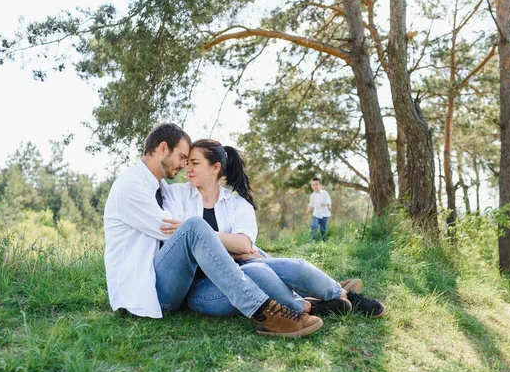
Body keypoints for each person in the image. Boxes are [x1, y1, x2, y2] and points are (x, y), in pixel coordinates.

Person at [103, 123, 323, 338]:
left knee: (253, 264)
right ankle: (265, 313)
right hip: (148, 291)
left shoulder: (157, 186)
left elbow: (197, 244)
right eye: (181, 157)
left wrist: (239, 249)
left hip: (168, 280)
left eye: (190, 160)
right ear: (162, 148)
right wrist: (235, 249)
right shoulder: (131, 187)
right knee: (194, 227)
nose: (183, 165)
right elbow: (178, 235)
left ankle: (317, 295)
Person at [164, 139, 386, 318]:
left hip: (241, 267)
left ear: (215, 167)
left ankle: (343, 294)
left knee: (296, 266)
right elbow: (185, 244)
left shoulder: (238, 204)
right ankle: (307, 306)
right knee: (259, 272)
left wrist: (207, 242)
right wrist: (224, 245)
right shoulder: (176, 195)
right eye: (187, 162)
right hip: (202, 288)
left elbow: (243, 244)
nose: (187, 168)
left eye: (195, 163)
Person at [306, 177, 332, 242]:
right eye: (313, 185)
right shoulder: (312, 195)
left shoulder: (325, 193)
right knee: (313, 226)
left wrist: (326, 204)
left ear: (320, 185)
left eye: (316, 184)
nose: (315, 186)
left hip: (324, 214)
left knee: (323, 229)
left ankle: (324, 240)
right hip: (316, 214)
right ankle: (312, 240)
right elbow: (311, 204)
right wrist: (308, 209)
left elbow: (329, 201)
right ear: (311, 186)